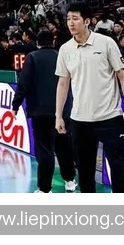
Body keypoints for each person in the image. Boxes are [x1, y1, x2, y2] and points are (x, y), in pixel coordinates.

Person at [55, 2, 124, 193]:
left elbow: (123, 76)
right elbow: (62, 84)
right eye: (68, 19)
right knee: (85, 173)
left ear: (87, 21)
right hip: (80, 120)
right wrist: (58, 115)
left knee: (120, 170)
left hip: (110, 118)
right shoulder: (65, 49)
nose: (70, 23)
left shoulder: (106, 43)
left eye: (75, 18)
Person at [13, 29, 77, 193]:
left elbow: (23, 83)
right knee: (64, 147)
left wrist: (15, 105)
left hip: (41, 112)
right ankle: (70, 180)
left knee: (45, 150)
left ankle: (44, 188)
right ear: (53, 41)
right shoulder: (62, 56)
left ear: (38, 42)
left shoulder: (32, 57)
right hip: (63, 111)